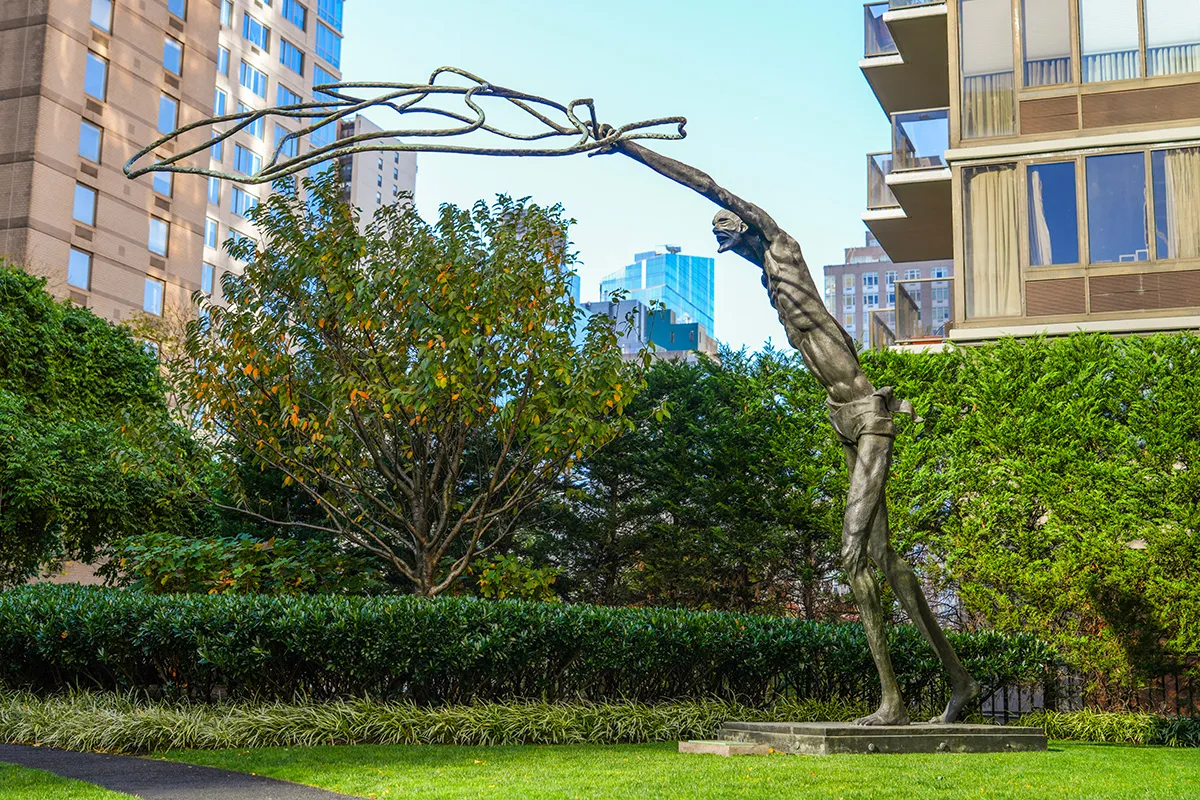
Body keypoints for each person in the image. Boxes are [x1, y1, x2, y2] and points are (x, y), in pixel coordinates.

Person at [591, 125, 979, 725]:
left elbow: (706, 184)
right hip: (843, 419)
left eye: (731, 238)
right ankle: (960, 681)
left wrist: (628, 149)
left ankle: (892, 702)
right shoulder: (766, 278)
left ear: (747, 228)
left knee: (852, 558)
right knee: (887, 561)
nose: (732, 249)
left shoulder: (782, 247)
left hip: (870, 419)